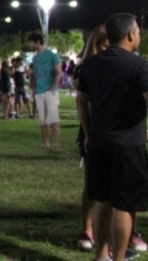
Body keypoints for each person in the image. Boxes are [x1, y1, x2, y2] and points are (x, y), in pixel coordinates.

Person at [77, 13, 148, 261]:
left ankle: (100, 256)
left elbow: (82, 100)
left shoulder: (91, 64)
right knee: (124, 205)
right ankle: (118, 257)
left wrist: (88, 132)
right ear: (130, 35)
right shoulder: (138, 65)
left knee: (103, 201)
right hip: (128, 144)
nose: (139, 35)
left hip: (98, 141)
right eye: (138, 32)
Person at [73, 25, 108, 251]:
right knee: (93, 183)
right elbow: (82, 100)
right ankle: (87, 228)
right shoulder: (85, 69)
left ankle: (112, 231)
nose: (106, 50)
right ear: (93, 45)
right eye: (103, 45)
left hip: (113, 130)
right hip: (92, 130)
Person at [28, 32, 63, 151]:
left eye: (31, 42)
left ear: (37, 41)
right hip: (39, 92)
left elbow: (59, 72)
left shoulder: (52, 55)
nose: (29, 45)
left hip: (51, 92)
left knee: (54, 118)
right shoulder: (35, 58)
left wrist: (52, 88)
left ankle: (56, 143)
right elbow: (35, 73)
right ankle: (46, 143)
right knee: (42, 120)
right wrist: (34, 88)